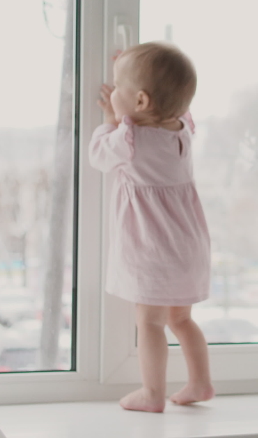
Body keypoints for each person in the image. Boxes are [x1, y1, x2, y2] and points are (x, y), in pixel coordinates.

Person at [89, 42, 214, 413]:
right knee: (182, 319)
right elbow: (174, 102)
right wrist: (132, 77)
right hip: (189, 245)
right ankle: (200, 382)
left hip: (152, 250)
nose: (112, 93)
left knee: (150, 323)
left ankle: (152, 394)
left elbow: (98, 155)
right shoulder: (182, 130)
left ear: (140, 102)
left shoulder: (128, 141)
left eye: (117, 87)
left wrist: (112, 121)